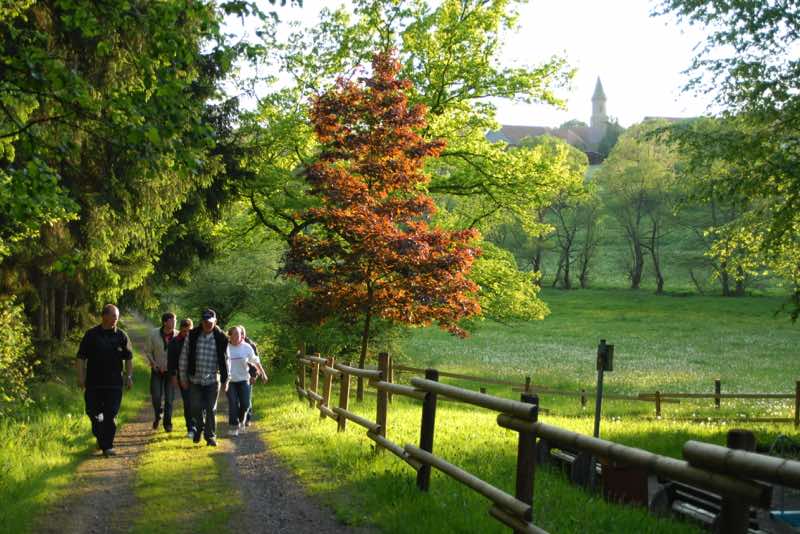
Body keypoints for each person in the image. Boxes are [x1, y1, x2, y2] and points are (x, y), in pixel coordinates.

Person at [76, 304, 133, 457]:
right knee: (93, 414)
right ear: (104, 316)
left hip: (114, 384)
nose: (116, 319)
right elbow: (81, 357)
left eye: (117, 316)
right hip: (94, 383)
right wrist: (80, 377)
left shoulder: (122, 336)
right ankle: (101, 438)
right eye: (114, 315)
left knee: (110, 415)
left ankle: (107, 446)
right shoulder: (91, 335)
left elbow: (128, 359)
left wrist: (129, 377)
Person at [178, 308, 229, 446]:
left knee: (211, 408)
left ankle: (210, 436)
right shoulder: (193, 335)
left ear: (215, 322)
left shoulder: (222, 338)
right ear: (201, 322)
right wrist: (182, 377)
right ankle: (199, 427)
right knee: (195, 407)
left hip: (212, 379)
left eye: (211, 322)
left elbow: (226, 360)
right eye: (206, 322)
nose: (208, 324)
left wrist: (226, 380)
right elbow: (184, 356)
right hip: (195, 379)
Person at [226, 326, 266, 436]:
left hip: (244, 379)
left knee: (245, 404)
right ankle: (234, 426)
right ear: (230, 336)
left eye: (240, 334)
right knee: (233, 403)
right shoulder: (226, 347)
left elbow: (255, 361)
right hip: (230, 381)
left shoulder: (247, 347)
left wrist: (263, 373)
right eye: (235, 334)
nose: (239, 337)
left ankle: (242, 420)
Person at [144, 312, 176, 432]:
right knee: (156, 396)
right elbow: (147, 351)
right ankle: (158, 414)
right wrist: (153, 363)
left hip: (171, 372)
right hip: (157, 371)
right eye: (172, 321)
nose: (174, 323)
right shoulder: (153, 334)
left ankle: (168, 423)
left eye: (175, 321)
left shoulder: (177, 335)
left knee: (169, 399)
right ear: (164, 322)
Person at [168, 318, 194, 438]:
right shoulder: (174, 342)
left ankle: (200, 425)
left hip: (197, 376)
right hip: (183, 376)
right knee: (188, 402)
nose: (186, 334)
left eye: (189, 331)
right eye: (184, 331)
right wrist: (174, 376)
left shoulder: (197, 340)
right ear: (181, 330)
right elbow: (171, 361)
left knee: (198, 403)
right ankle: (190, 428)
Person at [240, 325, 267, 426]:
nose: (241, 336)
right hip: (237, 376)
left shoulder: (250, 345)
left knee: (247, 398)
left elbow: (255, 362)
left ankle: (247, 418)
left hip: (249, 375)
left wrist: (254, 376)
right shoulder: (232, 344)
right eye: (239, 334)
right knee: (239, 399)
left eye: (242, 334)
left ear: (244, 334)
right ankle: (240, 417)